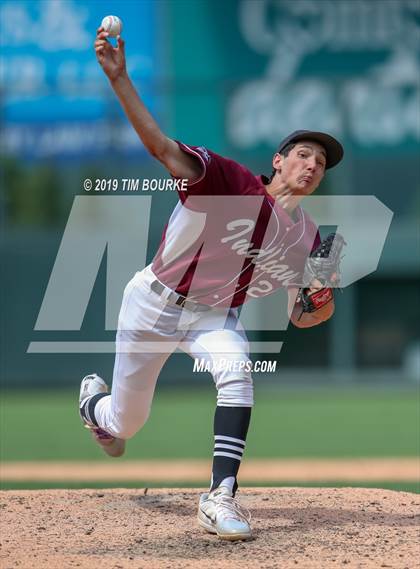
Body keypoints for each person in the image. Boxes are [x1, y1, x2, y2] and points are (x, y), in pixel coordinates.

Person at [79, 28, 344, 541]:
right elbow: (159, 147)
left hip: (213, 317)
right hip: (153, 303)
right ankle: (93, 402)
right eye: (305, 154)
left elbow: (304, 313)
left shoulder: (316, 239)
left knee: (238, 372)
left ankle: (220, 496)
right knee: (124, 424)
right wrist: (120, 80)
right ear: (279, 160)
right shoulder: (225, 179)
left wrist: (319, 304)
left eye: (322, 163)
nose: (313, 166)